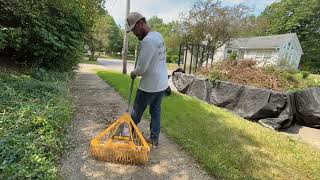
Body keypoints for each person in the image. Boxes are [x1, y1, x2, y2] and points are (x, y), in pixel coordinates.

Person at [126, 12, 168, 148]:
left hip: (149, 86)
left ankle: (128, 136)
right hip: (161, 84)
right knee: (156, 111)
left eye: (134, 29)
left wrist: (134, 72)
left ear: (140, 23)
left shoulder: (148, 41)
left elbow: (141, 69)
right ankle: (154, 139)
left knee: (136, 114)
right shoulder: (158, 36)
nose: (134, 33)